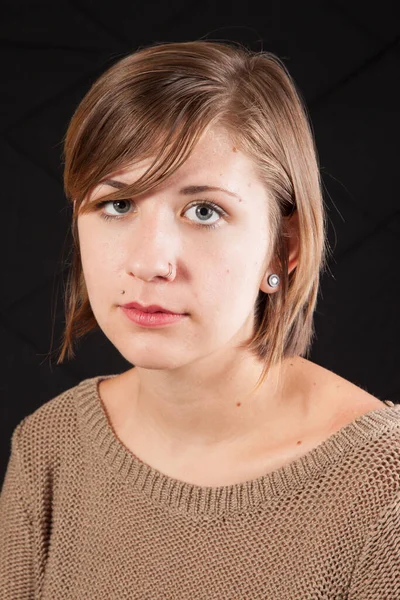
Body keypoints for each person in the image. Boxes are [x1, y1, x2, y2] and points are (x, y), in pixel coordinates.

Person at [1, 40, 399, 599]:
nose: (148, 262)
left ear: (284, 248)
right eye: (118, 204)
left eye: (204, 211)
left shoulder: (385, 492)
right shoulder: (51, 448)